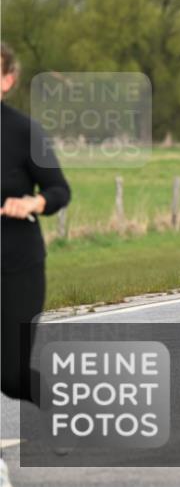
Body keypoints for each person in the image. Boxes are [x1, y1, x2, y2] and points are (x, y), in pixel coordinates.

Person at [1, 43, 72, 404]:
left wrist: (33, 202)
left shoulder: (25, 132)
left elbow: (59, 189)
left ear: (7, 80)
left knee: (12, 378)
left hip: (17, 267)